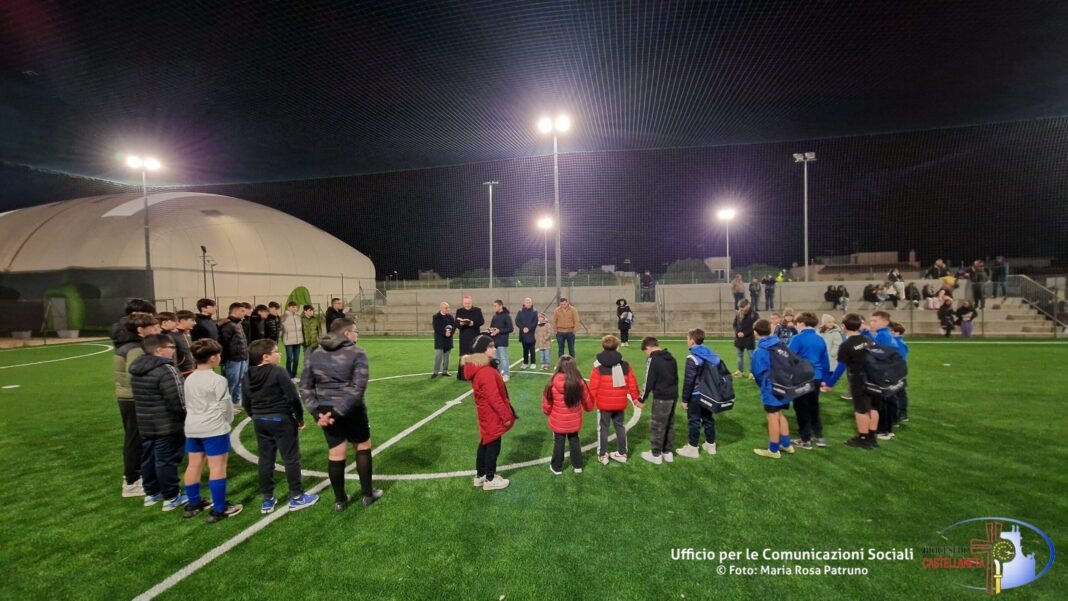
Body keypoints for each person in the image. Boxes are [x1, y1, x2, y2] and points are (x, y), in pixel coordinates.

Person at [299, 318, 382, 512]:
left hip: (326, 410)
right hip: (352, 409)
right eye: (355, 331)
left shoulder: (313, 352)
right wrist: (336, 412)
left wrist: (318, 413)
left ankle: (340, 500)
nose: (357, 334)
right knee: (362, 446)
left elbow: (305, 386)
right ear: (346, 333)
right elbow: (358, 388)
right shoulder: (357, 352)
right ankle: (367, 495)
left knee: (336, 452)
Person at [244, 339, 319, 515]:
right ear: (266, 357)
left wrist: (254, 416)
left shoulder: (247, 374)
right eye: (276, 351)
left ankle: (268, 499)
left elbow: (246, 400)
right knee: (291, 458)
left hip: (260, 420)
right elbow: (293, 397)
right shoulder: (278, 371)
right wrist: (299, 418)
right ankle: (297, 496)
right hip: (281, 420)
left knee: (266, 459)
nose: (280, 354)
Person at [182, 339, 243, 521]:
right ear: (213, 358)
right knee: (217, 466)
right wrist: (228, 421)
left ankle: (194, 503)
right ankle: (220, 508)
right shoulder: (217, 380)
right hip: (213, 427)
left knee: (194, 464)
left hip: (192, 426)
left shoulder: (189, 378)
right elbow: (225, 406)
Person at [129, 334, 188, 511]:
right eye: (171, 347)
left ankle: (152, 492)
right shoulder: (166, 369)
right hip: (167, 423)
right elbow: (178, 399)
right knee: (166, 460)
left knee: (148, 457)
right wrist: (186, 417)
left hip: (146, 422)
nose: (173, 351)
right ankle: (171, 496)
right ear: (159, 350)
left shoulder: (137, 369)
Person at [114, 313, 159, 498]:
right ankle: (132, 481)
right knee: (135, 439)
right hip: (134, 399)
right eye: (153, 327)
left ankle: (138, 475)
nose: (157, 329)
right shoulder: (135, 349)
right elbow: (136, 377)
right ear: (140, 330)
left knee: (136, 438)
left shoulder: (125, 346)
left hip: (127, 397)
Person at [463, 335, 516, 491]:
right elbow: (494, 398)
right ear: (482, 350)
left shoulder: (481, 367)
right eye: (491, 346)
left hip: (486, 413)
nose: (494, 348)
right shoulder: (485, 371)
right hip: (491, 413)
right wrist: (506, 416)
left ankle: (481, 475)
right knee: (492, 444)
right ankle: (490, 479)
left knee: (486, 442)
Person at [821, 313, 880, 449]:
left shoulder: (846, 345)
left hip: (859, 380)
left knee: (861, 409)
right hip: (875, 378)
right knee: (873, 407)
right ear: (860, 325)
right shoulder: (869, 340)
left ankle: (863, 438)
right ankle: (872, 437)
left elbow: (841, 367)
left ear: (844, 326)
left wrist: (829, 384)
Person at [588, 334, 640, 465]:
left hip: (604, 405)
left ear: (603, 346)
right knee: (620, 427)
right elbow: (632, 384)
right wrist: (636, 399)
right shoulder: (625, 365)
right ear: (617, 347)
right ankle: (622, 453)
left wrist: (588, 403)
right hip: (620, 403)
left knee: (603, 429)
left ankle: (602, 455)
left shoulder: (597, 366)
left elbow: (593, 387)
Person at [749, 320, 796, 459]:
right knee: (780, 413)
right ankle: (787, 444)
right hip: (786, 384)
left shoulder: (760, 350)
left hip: (771, 386)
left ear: (755, 333)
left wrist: (763, 386)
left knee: (772, 416)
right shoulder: (781, 344)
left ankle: (773, 450)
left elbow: (757, 373)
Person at [541, 355, 594, 475]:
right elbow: (588, 402)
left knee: (559, 442)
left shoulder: (552, 382)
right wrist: (588, 407)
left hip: (558, 420)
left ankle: (556, 467)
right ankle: (578, 466)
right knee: (574, 440)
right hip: (574, 421)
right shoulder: (580, 382)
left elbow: (547, 402)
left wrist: (547, 412)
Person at [677, 328, 721, 459]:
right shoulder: (711, 354)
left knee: (694, 420)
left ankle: (692, 448)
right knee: (708, 418)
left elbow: (689, 381)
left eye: (687, 338)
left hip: (696, 394)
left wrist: (685, 399)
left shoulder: (692, 357)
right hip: (709, 393)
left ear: (692, 340)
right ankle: (710, 445)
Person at [788, 313, 830, 450]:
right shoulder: (820, 339)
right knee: (814, 405)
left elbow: (789, 358)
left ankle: (805, 438)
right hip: (816, 377)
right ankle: (819, 436)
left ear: (801, 323)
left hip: (801, 377)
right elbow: (825, 361)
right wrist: (825, 378)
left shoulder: (797, 338)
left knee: (801, 407)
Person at [638, 336, 678, 465]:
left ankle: (656, 454)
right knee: (669, 424)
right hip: (673, 395)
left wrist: (641, 399)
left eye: (645, 351)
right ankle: (668, 452)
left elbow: (648, 380)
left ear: (648, 347)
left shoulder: (653, 359)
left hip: (661, 397)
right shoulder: (671, 357)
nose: (646, 354)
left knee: (657, 425)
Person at [868, 310, 900, 441]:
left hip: (883, 371)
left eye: (875, 321)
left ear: (885, 322)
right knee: (890, 398)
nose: (871, 323)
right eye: (871, 320)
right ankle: (891, 424)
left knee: (881, 401)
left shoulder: (882, 336)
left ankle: (883, 430)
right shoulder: (887, 334)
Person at [218, 302, 249, 411]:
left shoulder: (238, 324)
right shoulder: (227, 325)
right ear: (235, 311)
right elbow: (223, 344)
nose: (244, 314)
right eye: (242, 311)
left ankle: (236, 401)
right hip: (232, 359)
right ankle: (227, 405)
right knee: (231, 382)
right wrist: (223, 360)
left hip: (241, 357)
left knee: (239, 381)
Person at [455, 295, 485, 381]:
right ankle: (462, 376)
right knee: (464, 356)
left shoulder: (477, 310)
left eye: (468, 303)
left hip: (474, 336)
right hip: (464, 337)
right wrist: (460, 324)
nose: (467, 305)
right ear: (463, 303)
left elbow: (481, 321)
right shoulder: (459, 311)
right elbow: (456, 323)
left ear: (471, 302)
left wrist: (472, 323)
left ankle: (475, 375)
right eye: (465, 303)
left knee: (474, 356)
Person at [890, 322, 911, 424]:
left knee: (899, 393)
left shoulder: (899, 343)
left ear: (897, 333)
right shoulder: (896, 342)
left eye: (891, 331)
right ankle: (901, 413)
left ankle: (902, 413)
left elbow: (901, 359)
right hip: (895, 370)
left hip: (897, 371)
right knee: (898, 392)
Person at [488, 300, 514, 381]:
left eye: (495, 306)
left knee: (503, 358)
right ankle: (498, 374)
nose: (494, 307)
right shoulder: (494, 316)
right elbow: (492, 326)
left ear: (500, 306)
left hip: (502, 341)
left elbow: (511, 329)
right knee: (497, 359)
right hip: (494, 341)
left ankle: (506, 374)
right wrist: (490, 330)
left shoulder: (506, 316)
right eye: (493, 306)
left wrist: (499, 331)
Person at [732, 299, 758, 378]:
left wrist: (745, 333)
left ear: (748, 305)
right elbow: (734, 325)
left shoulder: (754, 314)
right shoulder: (738, 314)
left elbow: (755, 326)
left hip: (749, 339)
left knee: (751, 357)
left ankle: (752, 373)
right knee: (739, 356)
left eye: (743, 307)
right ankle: (740, 371)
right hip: (739, 339)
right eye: (740, 307)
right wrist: (737, 332)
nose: (741, 309)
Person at [280, 301, 304, 379]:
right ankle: (288, 375)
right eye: (292, 307)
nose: (294, 308)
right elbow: (280, 329)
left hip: (298, 342)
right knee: (289, 358)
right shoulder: (284, 317)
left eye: (295, 307)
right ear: (288, 308)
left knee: (296, 359)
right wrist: (282, 338)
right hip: (288, 341)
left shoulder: (298, 317)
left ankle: (294, 376)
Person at [431, 301, 456, 378]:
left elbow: (454, 326)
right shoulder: (436, 316)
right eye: (446, 308)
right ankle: (436, 372)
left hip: (448, 340)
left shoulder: (451, 317)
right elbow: (436, 328)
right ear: (441, 308)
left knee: (447, 357)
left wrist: (450, 333)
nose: (448, 309)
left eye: (448, 307)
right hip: (440, 340)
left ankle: (445, 371)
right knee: (438, 356)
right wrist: (444, 333)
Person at [170, 311, 197, 377]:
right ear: (182, 320)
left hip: (190, 370)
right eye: (192, 320)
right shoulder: (172, 336)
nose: (195, 323)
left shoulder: (185, 334)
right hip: (182, 373)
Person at [515, 297, 539, 368]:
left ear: (532, 303)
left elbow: (535, 322)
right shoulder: (520, 311)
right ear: (524, 303)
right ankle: (525, 363)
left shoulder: (535, 311)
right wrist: (523, 328)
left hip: (532, 333)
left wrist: (529, 328)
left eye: (530, 302)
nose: (528, 304)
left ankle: (533, 363)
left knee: (532, 349)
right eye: (527, 302)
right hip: (523, 334)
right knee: (525, 349)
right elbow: (517, 321)